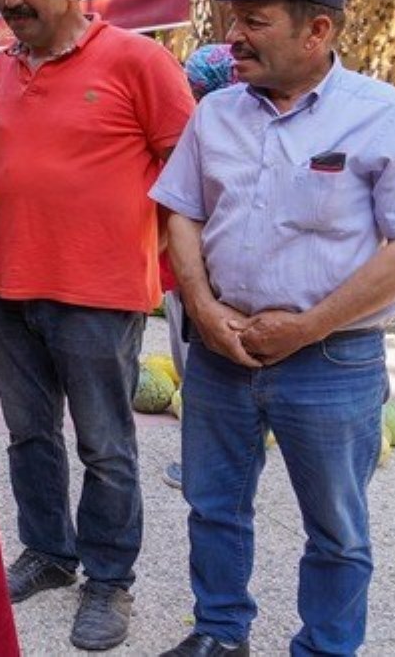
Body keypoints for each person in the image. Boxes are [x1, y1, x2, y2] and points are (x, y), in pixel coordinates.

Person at [150, 0, 395, 657]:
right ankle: (220, 633)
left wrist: (306, 328)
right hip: (221, 351)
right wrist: (203, 307)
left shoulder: (392, 118)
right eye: (233, 22)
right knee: (213, 506)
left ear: (317, 30)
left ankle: (324, 648)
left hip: (332, 359)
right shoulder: (216, 114)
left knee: (336, 529)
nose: (233, 39)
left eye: (253, 23)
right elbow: (182, 212)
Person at [0, 0, 195, 651]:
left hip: (100, 291)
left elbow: (190, 173)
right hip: (3, 286)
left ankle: (108, 578)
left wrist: (166, 263)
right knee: (30, 435)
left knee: (105, 444)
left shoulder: (139, 60)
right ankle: (48, 551)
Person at [161, 43, 241, 491]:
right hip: (204, 277)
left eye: (193, 85)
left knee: (198, 370)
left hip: (197, 277)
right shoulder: (219, 123)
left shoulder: (205, 127)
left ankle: (200, 464)